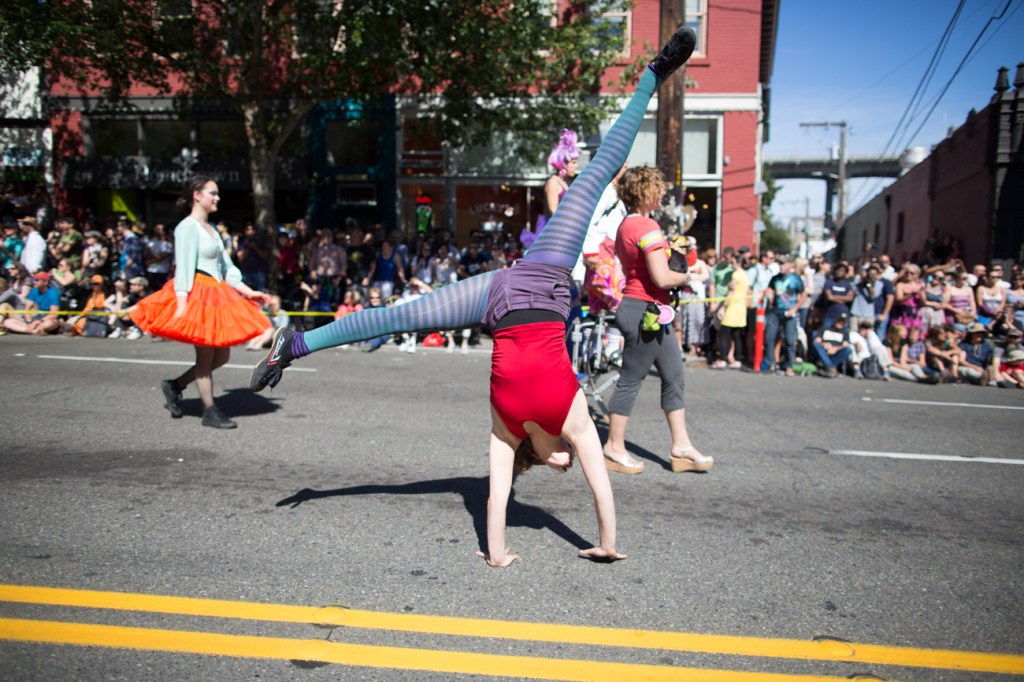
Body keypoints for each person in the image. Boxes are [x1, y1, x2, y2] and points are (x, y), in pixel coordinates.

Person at [250, 27, 699, 565]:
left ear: (538, 453)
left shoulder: (509, 430)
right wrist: (606, 546)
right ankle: (653, 76)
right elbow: (599, 488)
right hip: (544, 271)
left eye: (559, 463)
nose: (569, 463)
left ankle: (295, 345)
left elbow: (501, 494)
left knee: (395, 316)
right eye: (571, 462)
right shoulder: (573, 421)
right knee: (599, 173)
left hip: (503, 290)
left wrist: (504, 552)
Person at [130, 175, 271, 428]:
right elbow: (183, 267)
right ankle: (210, 410)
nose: (217, 198)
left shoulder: (212, 229)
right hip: (198, 293)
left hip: (217, 293)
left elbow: (227, 268)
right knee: (206, 358)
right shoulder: (187, 227)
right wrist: (182, 305)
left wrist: (249, 292)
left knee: (222, 357)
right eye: (212, 193)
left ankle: (174, 386)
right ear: (197, 195)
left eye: (217, 194)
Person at [601, 165, 711, 475]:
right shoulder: (647, 227)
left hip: (648, 311)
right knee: (631, 380)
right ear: (646, 192)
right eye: (658, 187)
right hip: (645, 311)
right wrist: (691, 274)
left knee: (674, 374)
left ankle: (682, 447)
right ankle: (613, 447)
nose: (663, 193)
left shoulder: (627, 224)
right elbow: (662, 278)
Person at [522, 129, 580, 250]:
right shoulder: (553, 182)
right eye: (573, 162)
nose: (576, 166)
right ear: (563, 163)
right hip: (554, 233)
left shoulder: (565, 182)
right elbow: (553, 210)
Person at [762, 254, 806, 376]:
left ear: (790, 264)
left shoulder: (795, 279)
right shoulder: (775, 278)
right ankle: (771, 363)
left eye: (783, 263)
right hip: (775, 311)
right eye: (780, 263)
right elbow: (770, 290)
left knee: (789, 340)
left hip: (789, 312)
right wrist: (767, 294)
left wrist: (795, 308)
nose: (781, 266)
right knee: (769, 337)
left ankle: (789, 366)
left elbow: (803, 295)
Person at [710, 248, 747, 369]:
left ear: (738, 263)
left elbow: (730, 292)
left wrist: (722, 307)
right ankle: (737, 360)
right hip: (741, 306)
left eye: (733, 263)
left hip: (732, 307)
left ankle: (722, 359)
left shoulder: (735, 275)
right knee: (736, 335)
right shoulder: (744, 274)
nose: (731, 265)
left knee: (724, 334)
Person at [2, 271, 61, 335]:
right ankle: (32, 331)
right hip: (34, 318)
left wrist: (38, 321)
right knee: (7, 322)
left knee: (52, 323)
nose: (34, 282)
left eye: (37, 280)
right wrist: (29, 321)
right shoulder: (34, 290)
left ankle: (37, 329)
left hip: (45, 319)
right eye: (34, 280)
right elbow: (27, 308)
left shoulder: (53, 293)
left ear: (45, 282)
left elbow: (54, 314)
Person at [812, 313, 853, 378]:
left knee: (848, 350)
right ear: (835, 320)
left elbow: (845, 344)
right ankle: (831, 367)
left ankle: (829, 367)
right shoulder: (825, 329)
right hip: (824, 349)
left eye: (843, 322)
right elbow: (816, 341)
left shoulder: (845, 332)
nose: (840, 323)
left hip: (837, 350)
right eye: (839, 321)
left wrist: (835, 348)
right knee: (817, 346)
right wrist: (824, 344)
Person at [143, 223, 174, 292]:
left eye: (158, 229)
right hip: (150, 270)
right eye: (156, 228)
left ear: (164, 231)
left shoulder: (167, 244)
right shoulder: (150, 242)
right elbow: (146, 253)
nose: (156, 230)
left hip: (162, 271)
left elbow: (162, 257)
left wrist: (149, 261)